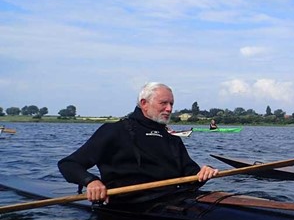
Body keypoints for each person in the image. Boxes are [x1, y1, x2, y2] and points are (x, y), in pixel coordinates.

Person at [58, 82, 218, 205]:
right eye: (164, 103)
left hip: (175, 202)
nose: (169, 109)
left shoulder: (172, 139)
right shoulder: (115, 131)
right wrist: (91, 181)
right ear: (144, 103)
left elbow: (191, 176)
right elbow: (69, 164)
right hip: (129, 206)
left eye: (171, 104)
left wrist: (204, 173)